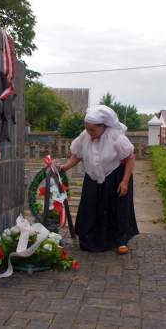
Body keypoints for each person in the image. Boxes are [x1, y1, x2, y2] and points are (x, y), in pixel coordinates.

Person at [60, 105, 139, 254]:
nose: (89, 133)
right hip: (92, 177)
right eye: (87, 129)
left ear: (103, 127)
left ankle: (120, 241)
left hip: (115, 177)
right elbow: (77, 155)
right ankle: (89, 239)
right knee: (90, 208)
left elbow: (130, 159)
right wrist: (65, 167)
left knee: (117, 209)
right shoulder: (85, 136)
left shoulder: (116, 137)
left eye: (92, 130)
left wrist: (125, 182)